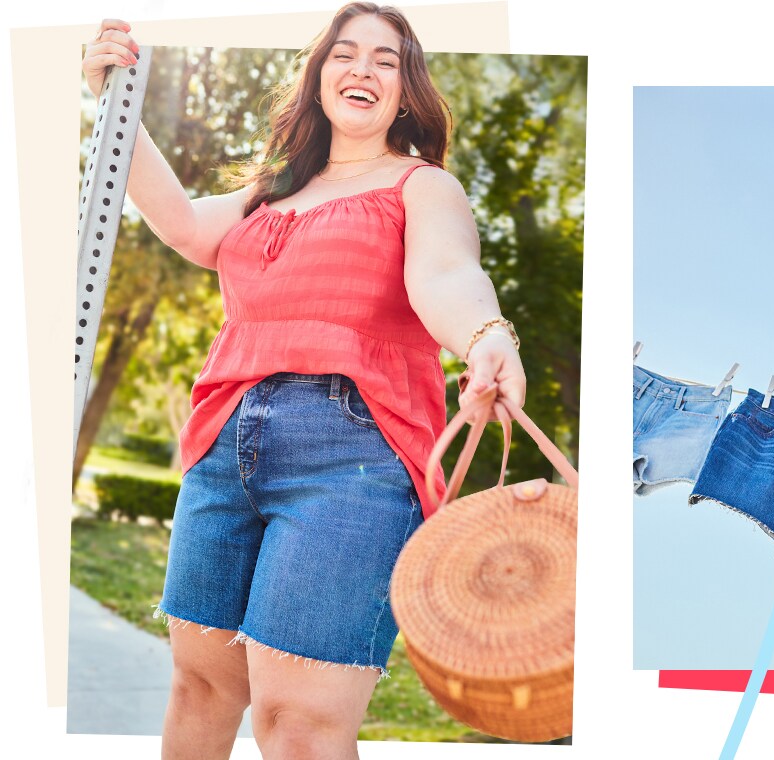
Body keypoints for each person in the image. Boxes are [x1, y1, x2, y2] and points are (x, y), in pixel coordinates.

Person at [82, 5, 525, 757]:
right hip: (226, 441)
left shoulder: (422, 187)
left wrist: (485, 333)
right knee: (200, 689)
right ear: (319, 76)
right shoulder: (271, 190)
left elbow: (447, 274)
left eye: (386, 61)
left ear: (407, 90)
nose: (362, 69)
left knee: (299, 724)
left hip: (352, 458)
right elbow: (186, 225)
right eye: (345, 54)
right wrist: (113, 100)